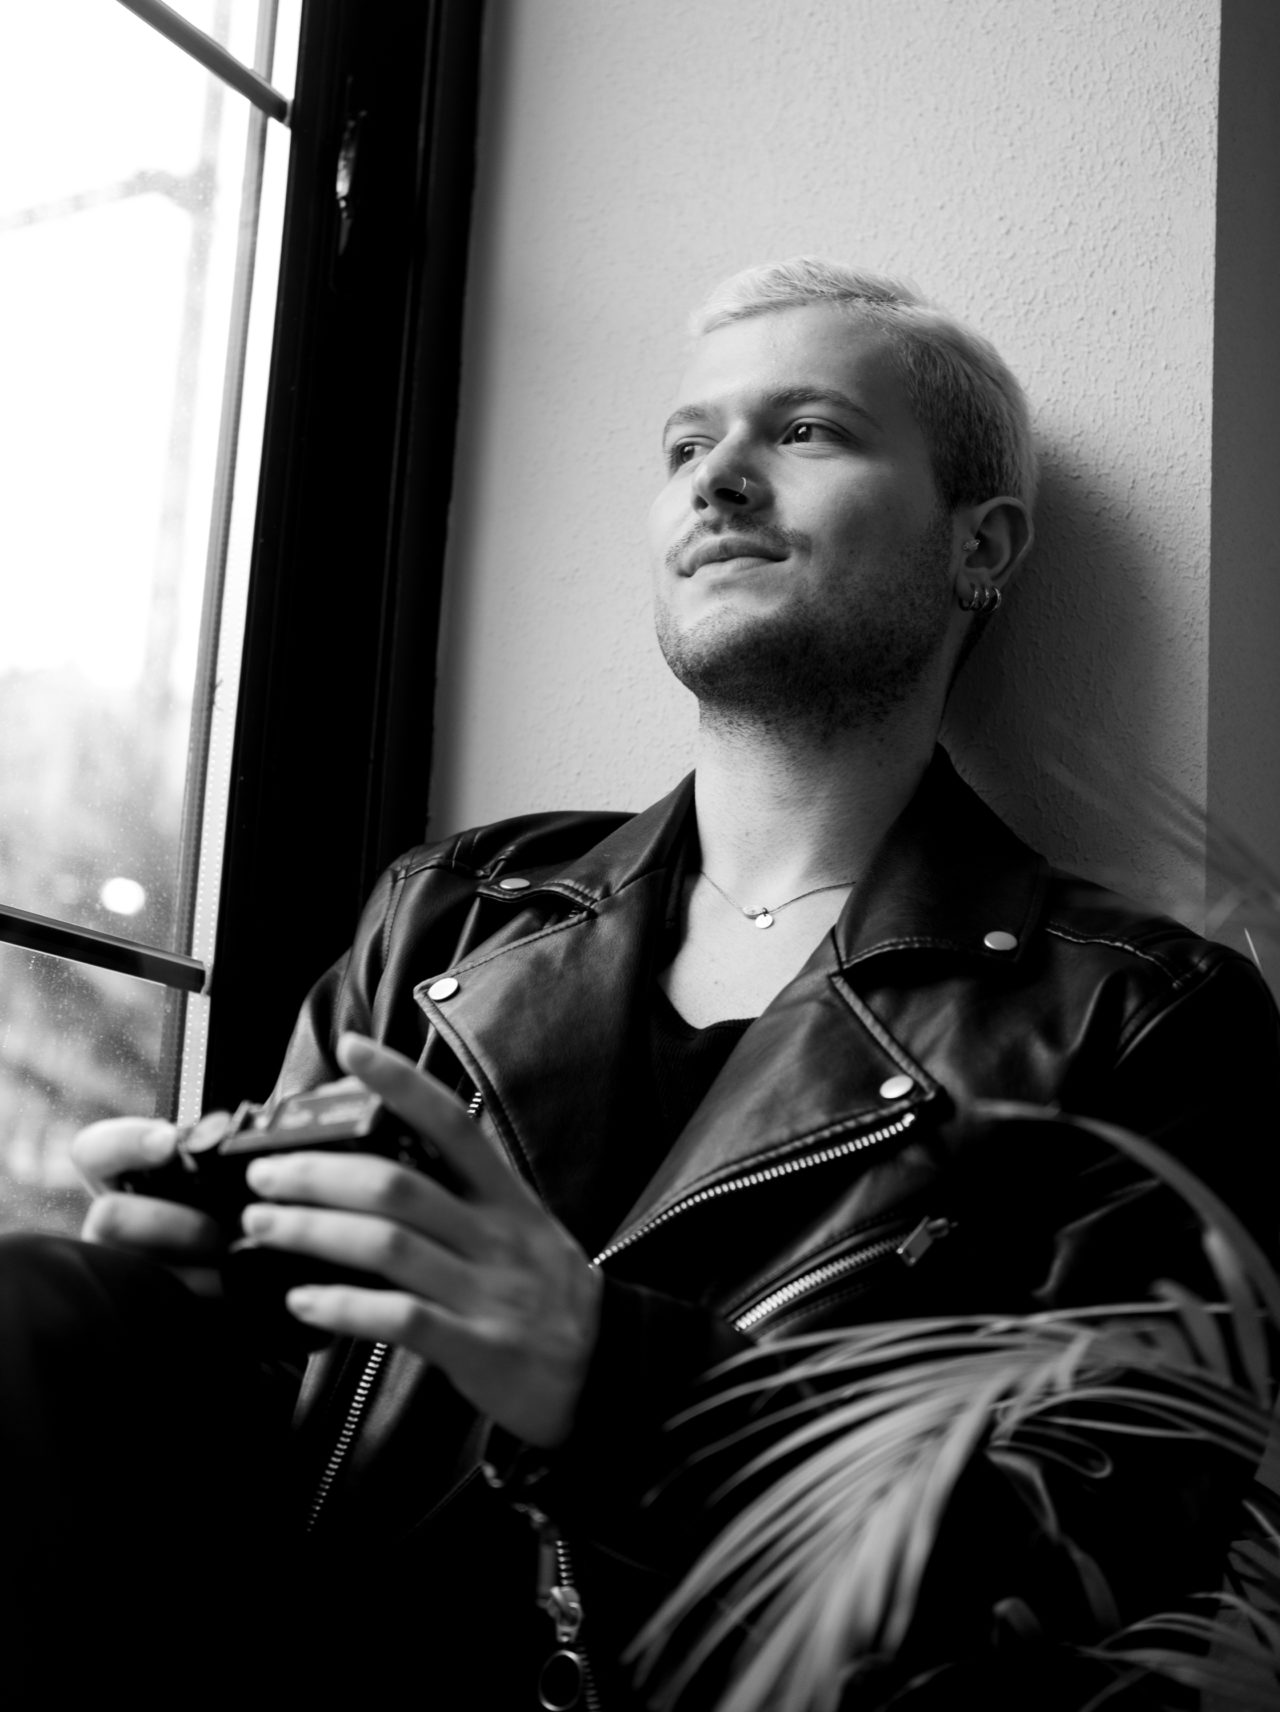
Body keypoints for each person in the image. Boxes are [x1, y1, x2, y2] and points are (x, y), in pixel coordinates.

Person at [12, 261, 1280, 1706]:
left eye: (806, 431)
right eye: (686, 447)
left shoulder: (1146, 1016)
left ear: (979, 546)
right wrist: (179, 1296)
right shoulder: (450, 914)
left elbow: (1088, 1560)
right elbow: (292, 1399)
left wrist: (609, 1378)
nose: (719, 479)